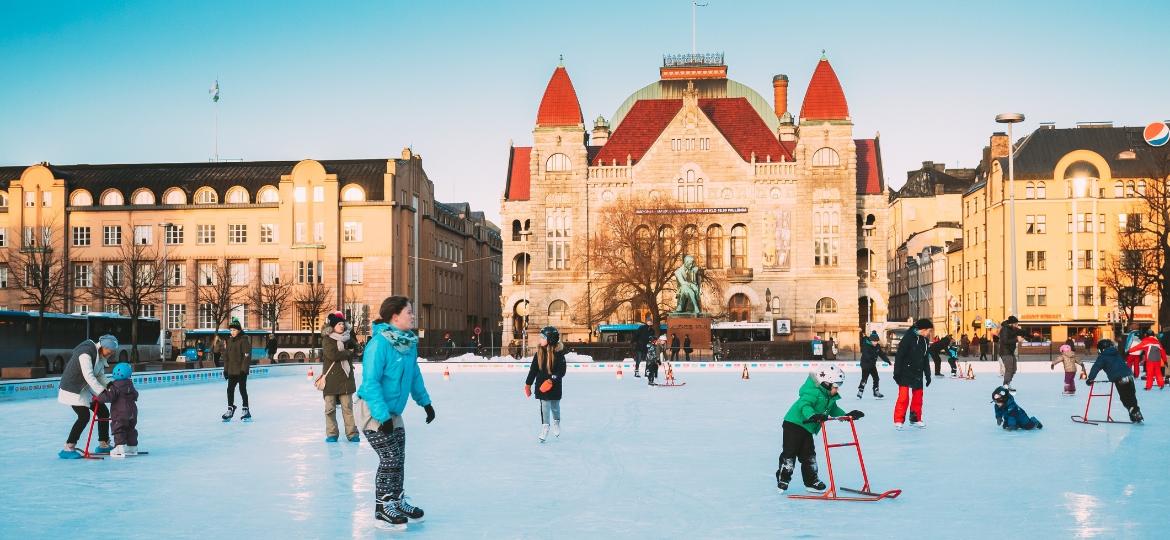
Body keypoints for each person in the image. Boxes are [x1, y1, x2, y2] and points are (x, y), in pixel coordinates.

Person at [356, 296, 435, 530]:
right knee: (389, 457)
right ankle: (383, 506)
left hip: (393, 412)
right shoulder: (379, 344)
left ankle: (397, 501)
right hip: (372, 410)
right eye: (409, 312)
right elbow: (370, 383)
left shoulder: (408, 344)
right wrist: (381, 417)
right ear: (395, 316)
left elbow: (414, 376)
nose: (413, 315)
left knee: (399, 458)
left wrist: (426, 403)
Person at [775, 365, 864, 494]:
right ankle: (783, 479)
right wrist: (812, 415)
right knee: (790, 453)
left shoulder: (828, 396)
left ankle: (811, 482)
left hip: (808, 428)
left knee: (809, 455)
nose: (837, 388)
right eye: (836, 385)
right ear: (826, 383)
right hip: (794, 424)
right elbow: (804, 405)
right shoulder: (813, 392)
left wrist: (847, 416)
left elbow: (833, 410)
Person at [57, 334, 119, 458]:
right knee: (83, 416)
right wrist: (102, 392)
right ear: (103, 346)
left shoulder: (100, 356)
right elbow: (89, 376)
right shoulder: (86, 353)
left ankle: (103, 444)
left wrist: (109, 385)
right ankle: (68, 447)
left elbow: (99, 375)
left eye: (112, 352)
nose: (110, 354)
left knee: (103, 411)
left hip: (85, 389)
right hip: (73, 389)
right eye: (109, 351)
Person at [524, 326, 567, 442]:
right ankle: (545, 426)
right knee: (544, 406)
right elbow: (533, 370)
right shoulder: (538, 354)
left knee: (555, 407)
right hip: (541, 386)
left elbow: (561, 371)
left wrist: (551, 380)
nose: (540, 340)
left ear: (550, 339)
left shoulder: (559, 354)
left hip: (555, 386)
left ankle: (556, 422)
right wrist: (528, 384)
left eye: (543, 337)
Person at [321, 311, 359, 442]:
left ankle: (352, 434)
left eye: (343, 324)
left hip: (345, 378)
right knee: (330, 409)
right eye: (339, 324)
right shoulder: (327, 339)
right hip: (331, 379)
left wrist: (352, 336)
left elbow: (358, 350)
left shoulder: (348, 338)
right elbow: (333, 355)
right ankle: (332, 434)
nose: (342, 326)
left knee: (347, 408)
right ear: (333, 326)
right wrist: (348, 352)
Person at [1086, 339, 1143, 423]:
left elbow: (1096, 367)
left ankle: (1134, 411)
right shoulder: (1117, 353)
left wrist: (1090, 378)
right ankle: (1135, 412)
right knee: (1131, 396)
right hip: (1129, 376)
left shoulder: (1102, 357)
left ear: (1101, 349)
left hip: (1119, 378)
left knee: (1125, 397)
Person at [893, 318, 933, 429]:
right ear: (923, 329)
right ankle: (898, 420)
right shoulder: (908, 338)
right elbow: (899, 356)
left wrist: (928, 375)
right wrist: (897, 372)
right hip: (905, 372)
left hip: (918, 372)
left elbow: (925, 359)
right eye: (928, 331)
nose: (929, 333)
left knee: (918, 398)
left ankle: (915, 419)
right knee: (903, 397)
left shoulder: (925, 341)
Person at [98, 362, 140, 457]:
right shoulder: (130, 384)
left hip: (120, 412)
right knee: (130, 428)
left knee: (119, 428)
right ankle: (132, 447)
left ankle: (119, 447)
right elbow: (136, 395)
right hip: (132, 412)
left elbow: (109, 396)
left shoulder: (115, 386)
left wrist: (98, 398)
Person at [221, 319, 252, 421]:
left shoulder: (244, 340)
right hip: (232, 371)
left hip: (241, 371)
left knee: (242, 389)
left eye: (234, 330)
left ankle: (246, 409)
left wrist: (244, 370)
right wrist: (226, 370)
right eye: (231, 330)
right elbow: (226, 357)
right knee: (229, 389)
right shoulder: (229, 341)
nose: (232, 332)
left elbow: (247, 356)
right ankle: (230, 408)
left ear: (239, 330)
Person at [857, 331, 891, 399]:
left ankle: (876, 391)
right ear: (871, 340)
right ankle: (860, 391)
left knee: (876, 378)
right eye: (874, 341)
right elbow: (866, 355)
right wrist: (873, 358)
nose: (875, 343)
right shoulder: (866, 345)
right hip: (865, 364)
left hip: (872, 365)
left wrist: (887, 360)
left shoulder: (877, 346)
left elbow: (881, 354)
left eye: (876, 341)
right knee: (864, 379)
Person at [998, 316, 1024, 391]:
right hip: (1005, 352)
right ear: (1011, 323)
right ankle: (1005, 385)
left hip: (1010, 352)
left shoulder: (1011, 330)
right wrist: (1016, 339)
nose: (1016, 326)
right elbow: (1005, 341)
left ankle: (1007, 384)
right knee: (1009, 369)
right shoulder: (1005, 329)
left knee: (1014, 369)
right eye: (1015, 324)